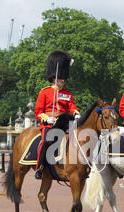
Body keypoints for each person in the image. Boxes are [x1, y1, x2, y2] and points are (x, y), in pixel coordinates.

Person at [34, 50, 81, 179]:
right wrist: (46, 119)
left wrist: (76, 114)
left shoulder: (67, 93)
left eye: (63, 79)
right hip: (49, 123)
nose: (63, 81)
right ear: (54, 78)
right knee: (45, 141)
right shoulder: (44, 92)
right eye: (60, 78)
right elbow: (38, 111)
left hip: (64, 121)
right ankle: (39, 167)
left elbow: (72, 106)